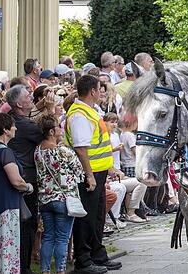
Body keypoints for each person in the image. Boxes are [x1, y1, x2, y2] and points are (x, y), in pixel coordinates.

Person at [64, 75, 120, 273]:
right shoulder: (80, 114)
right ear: (92, 91)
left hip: (99, 171)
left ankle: (97, 254)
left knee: (97, 216)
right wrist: (89, 175)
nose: (102, 93)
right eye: (99, 89)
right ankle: (83, 261)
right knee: (86, 218)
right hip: (89, 174)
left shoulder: (90, 111)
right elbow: (81, 148)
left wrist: (108, 168)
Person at [34, 114, 85, 274]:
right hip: (63, 199)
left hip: (45, 199)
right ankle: (60, 270)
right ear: (51, 131)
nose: (61, 129)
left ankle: (45, 270)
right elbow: (79, 172)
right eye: (58, 127)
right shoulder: (63, 151)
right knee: (62, 238)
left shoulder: (37, 151)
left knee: (48, 236)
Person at [6, 84, 42, 274]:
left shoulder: (11, 118)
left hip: (17, 177)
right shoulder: (25, 126)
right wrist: (49, 110)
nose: (31, 98)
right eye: (28, 96)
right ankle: (24, 266)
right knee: (27, 224)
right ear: (19, 104)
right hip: (25, 180)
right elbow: (48, 134)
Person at [0, 113, 34, 274]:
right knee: (6, 248)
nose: (15, 128)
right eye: (13, 126)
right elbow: (16, 181)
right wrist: (28, 187)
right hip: (6, 206)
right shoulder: (5, 152)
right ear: (5, 129)